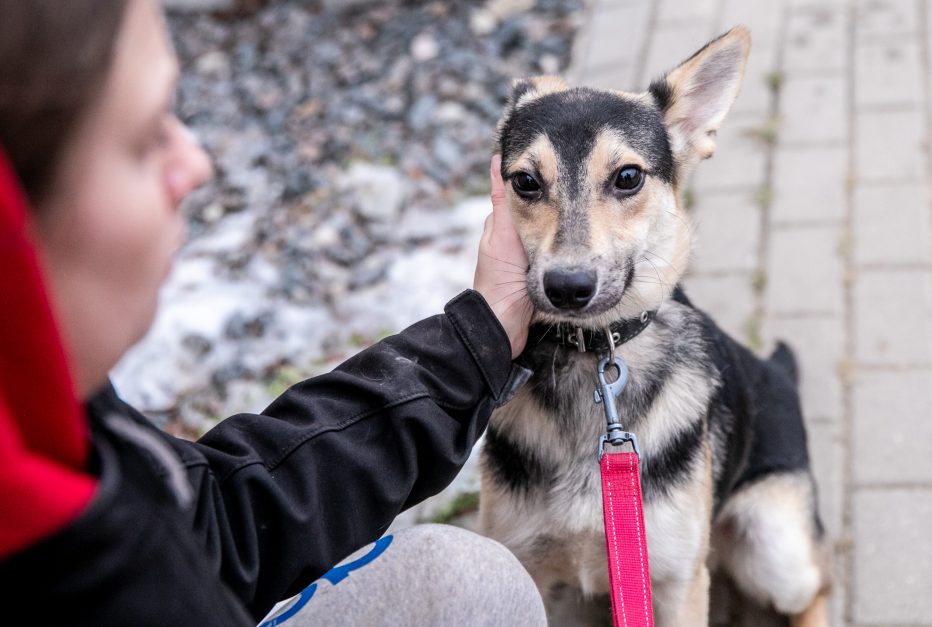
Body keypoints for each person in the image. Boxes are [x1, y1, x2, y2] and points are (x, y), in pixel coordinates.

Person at [0, 1, 545, 624]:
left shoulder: (51, 432)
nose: (197, 165)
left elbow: (224, 527)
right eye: (147, 136)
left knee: (463, 585)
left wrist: (473, 343)